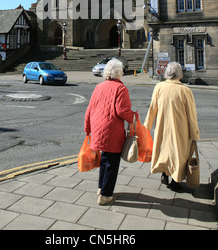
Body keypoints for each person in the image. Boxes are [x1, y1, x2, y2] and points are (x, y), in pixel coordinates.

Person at [84, 59, 138, 205]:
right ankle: (106, 195)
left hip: (97, 128)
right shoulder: (121, 89)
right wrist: (134, 117)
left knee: (104, 160)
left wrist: (88, 128)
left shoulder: (99, 87)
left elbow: (89, 109)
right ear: (119, 73)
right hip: (112, 130)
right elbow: (122, 111)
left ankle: (101, 188)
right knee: (111, 163)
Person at [144, 61, 200, 190]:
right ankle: (175, 181)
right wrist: (194, 132)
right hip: (180, 129)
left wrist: (147, 124)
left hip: (163, 126)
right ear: (180, 74)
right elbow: (191, 114)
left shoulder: (159, 87)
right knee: (178, 153)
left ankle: (165, 174)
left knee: (164, 150)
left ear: (167, 73)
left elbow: (153, 108)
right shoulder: (185, 90)